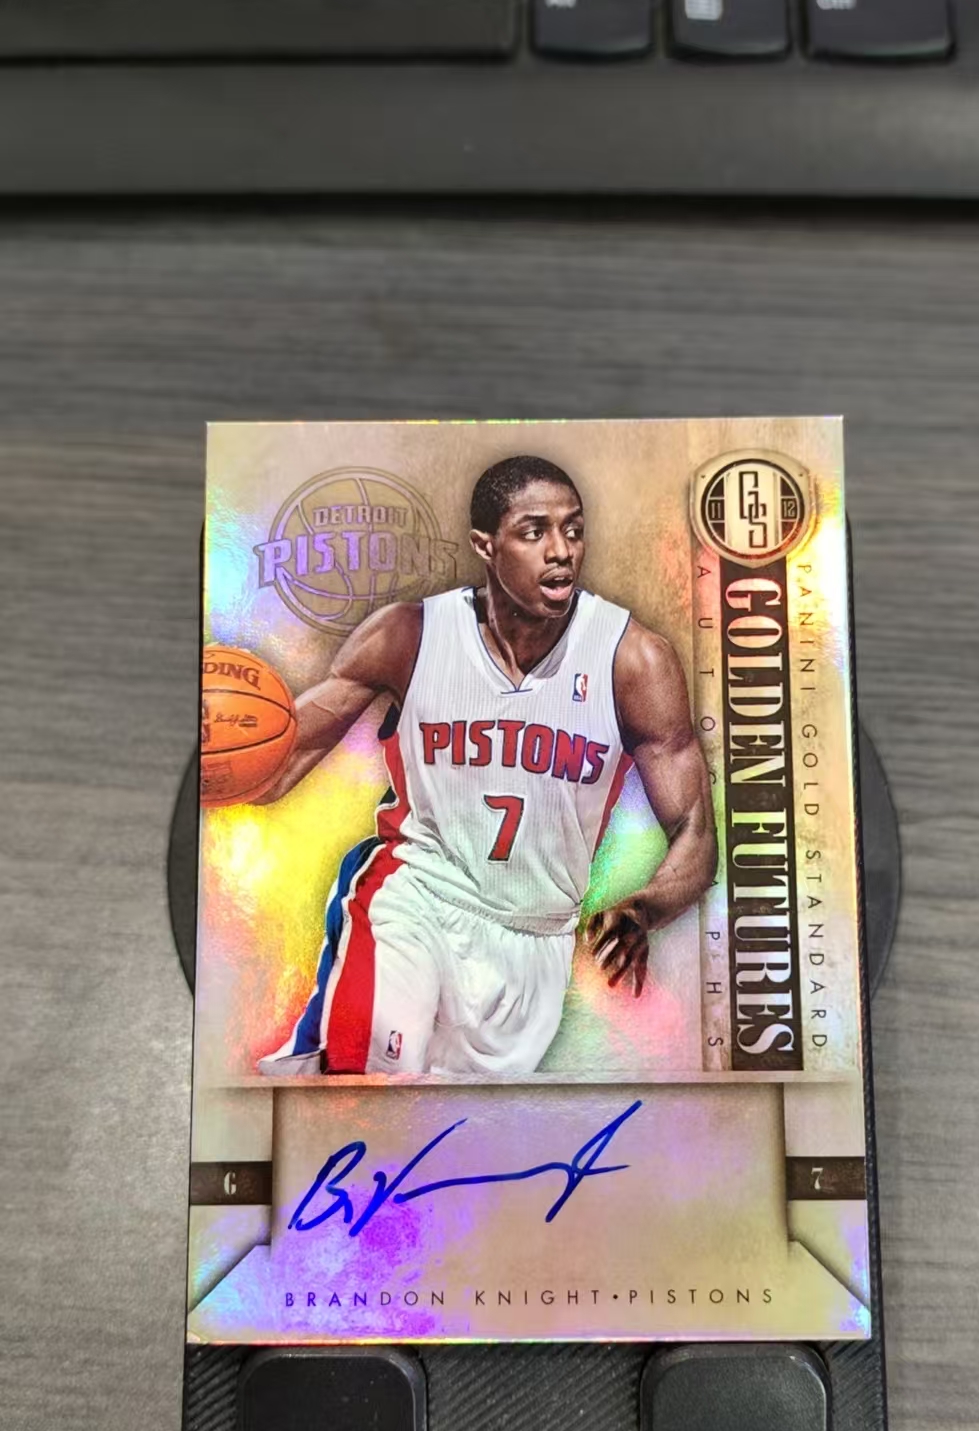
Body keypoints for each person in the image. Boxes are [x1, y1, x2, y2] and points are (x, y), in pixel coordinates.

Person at [253, 453, 717, 1078]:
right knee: (365, 1092)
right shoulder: (409, 635)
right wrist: (224, 748)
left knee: (446, 1132)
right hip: (416, 897)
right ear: (486, 545)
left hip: (535, 948)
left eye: (573, 530)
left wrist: (645, 907)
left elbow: (695, 830)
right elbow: (277, 764)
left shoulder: (632, 660)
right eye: (534, 531)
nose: (561, 551)